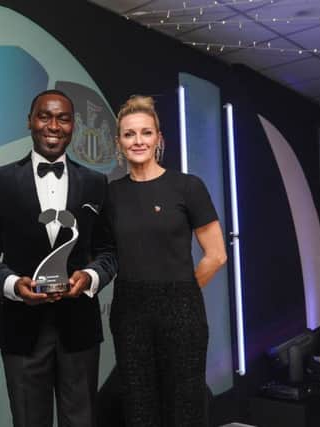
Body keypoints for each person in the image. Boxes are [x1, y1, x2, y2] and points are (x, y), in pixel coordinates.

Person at [0, 89, 117, 427]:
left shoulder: (96, 183)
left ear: (73, 127)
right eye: (45, 116)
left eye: (63, 118)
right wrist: (13, 285)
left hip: (79, 328)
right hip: (19, 328)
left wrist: (90, 278)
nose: (53, 125)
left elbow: (108, 253)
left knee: (80, 420)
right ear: (30, 121)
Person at [106, 96, 227, 427]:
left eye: (146, 133)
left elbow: (217, 255)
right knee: (139, 406)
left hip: (182, 311)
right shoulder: (112, 194)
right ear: (119, 142)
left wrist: (179, 292)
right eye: (129, 135)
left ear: (160, 138)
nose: (138, 141)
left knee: (184, 407)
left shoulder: (188, 187)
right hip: (129, 312)